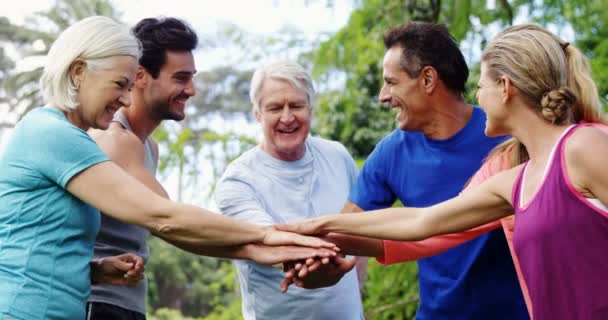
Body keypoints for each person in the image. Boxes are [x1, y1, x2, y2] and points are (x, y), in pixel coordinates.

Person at [0, 16, 336, 320]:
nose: (125, 97)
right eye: (119, 85)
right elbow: (164, 217)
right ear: (78, 72)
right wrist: (266, 236)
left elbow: (40, 244)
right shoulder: (53, 134)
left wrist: (97, 269)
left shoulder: (76, 140)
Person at [278, 26, 608, 320]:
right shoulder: (513, 180)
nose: (477, 95)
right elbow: (424, 222)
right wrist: (316, 228)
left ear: (505, 87)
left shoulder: (582, 146)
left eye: (482, 85)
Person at [214, 60, 364, 320]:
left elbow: (362, 229)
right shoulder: (237, 181)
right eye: (274, 108)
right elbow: (269, 244)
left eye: (296, 105)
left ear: (310, 109)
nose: (287, 117)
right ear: (257, 114)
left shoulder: (338, 156)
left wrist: (357, 297)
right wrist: (327, 257)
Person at [86, 16, 191, 320]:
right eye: (181, 78)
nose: (191, 89)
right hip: (99, 304)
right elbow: (173, 220)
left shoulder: (149, 148)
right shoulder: (115, 140)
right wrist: (268, 241)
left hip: (128, 304)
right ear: (141, 76)